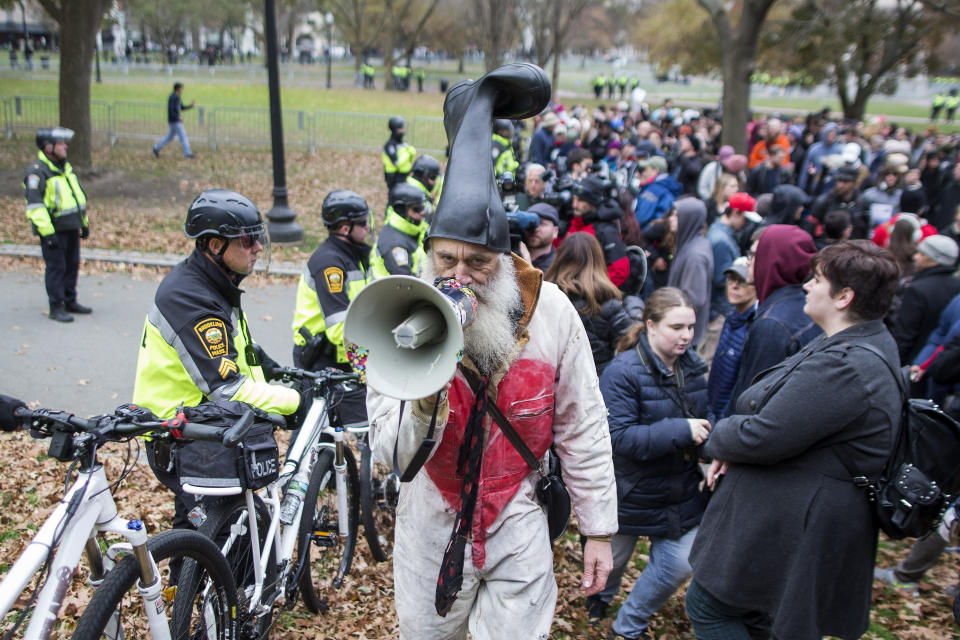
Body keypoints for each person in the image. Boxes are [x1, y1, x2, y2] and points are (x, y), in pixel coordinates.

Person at [365, 62, 617, 640]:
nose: (461, 277)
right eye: (446, 261)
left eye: (478, 263)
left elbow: (582, 423)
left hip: (518, 518)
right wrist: (423, 386)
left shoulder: (550, 312)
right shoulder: (400, 314)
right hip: (431, 521)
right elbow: (391, 456)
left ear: (504, 261)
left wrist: (598, 527)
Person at [686, 240, 902, 640]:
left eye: (817, 280)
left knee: (708, 605)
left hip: (802, 520)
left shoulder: (848, 366)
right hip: (795, 512)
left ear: (844, 296)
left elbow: (765, 434)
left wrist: (717, 437)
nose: (806, 286)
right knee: (758, 618)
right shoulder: (850, 343)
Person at [132, 189, 301, 527]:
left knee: (223, 529)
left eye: (258, 239)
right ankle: (194, 578)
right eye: (247, 241)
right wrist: (295, 401)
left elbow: (231, 350)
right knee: (213, 534)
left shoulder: (212, 282)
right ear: (214, 245)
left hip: (208, 424)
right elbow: (227, 388)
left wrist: (269, 367)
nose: (257, 248)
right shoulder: (191, 297)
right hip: (182, 434)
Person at [590, 287, 711, 638]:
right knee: (611, 562)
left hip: (679, 490)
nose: (687, 335)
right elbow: (619, 438)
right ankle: (600, 598)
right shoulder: (622, 372)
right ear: (651, 325)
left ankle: (628, 626)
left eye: (690, 327)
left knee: (678, 563)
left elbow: (703, 420)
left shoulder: (693, 368)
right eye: (677, 327)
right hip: (629, 489)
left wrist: (713, 446)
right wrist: (681, 430)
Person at [726, 225, 821, 415]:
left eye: (754, 255)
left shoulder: (772, 325)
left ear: (771, 261)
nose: (748, 262)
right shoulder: (806, 305)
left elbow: (752, 400)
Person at [24, 127, 91, 323]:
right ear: (48, 147)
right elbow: (36, 207)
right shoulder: (38, 173)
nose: (65, 147)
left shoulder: (64, 168)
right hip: (54, 230)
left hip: (71, 226)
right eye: (61, 144)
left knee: (72, 265)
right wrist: (48, 234)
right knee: (57, 267)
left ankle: (70, 300)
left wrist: (83, 223)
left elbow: (76, 197)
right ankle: (56, 306)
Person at [545, 232, 632, 374]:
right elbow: (628, 344)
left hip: (553, 379)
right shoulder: (609, 302)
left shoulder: (547, 296)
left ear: (560, 258)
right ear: (598, 260)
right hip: (597, 382)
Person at [890, 235, 960, 364]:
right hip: (937, 360)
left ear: (934, 261)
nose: (915, 257)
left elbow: (904, 335)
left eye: (921, 254)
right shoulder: (956, 285)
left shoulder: (918, 290)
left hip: (914, 362)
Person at [707, 258, 757, 420]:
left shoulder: (754, 326)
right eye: (731, 279)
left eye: (741, 281)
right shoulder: (731, 319)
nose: (734, 285)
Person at [569, 175, 630, 287]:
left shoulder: (605, 231)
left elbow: (620, 271)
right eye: (574, 199)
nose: (574, 205)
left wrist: (591, 291)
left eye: (581, 200)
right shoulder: (574, 223)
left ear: (593, 203)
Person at [668, 198, 714, 347]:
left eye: (676, 215)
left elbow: (694, 299)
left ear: (688, 219)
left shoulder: (695, 256)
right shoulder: (690, 243)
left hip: (685, 338)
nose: (671, 219)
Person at [707, 192, 751, 319]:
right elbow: (721, 278)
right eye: (746, 220)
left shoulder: (720, 231)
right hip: (719, 309)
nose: (746, 224)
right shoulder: (721, 241)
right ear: (736, 212)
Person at [371, 182, 428, 278]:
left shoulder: (414, 229)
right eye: (417, 208)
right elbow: (406, 284)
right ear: (401, 209)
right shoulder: (395, 245)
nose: (422, 212)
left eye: (423, 207)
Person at [152, 82, 195, 158]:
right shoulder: (172, 97)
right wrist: (177, 117)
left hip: (175, 121)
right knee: (183, 136)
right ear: (178, 89)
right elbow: (171, 110)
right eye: (181, 88)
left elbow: (181, 107)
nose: (182, 90)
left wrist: (190, 106)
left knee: (169, 137)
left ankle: (156, 148)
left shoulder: (178, 97)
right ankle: (187, 153)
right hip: (175, 121)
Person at [523, 202, 560, 272]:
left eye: (543, 224)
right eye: (532, 223)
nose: (536, 229)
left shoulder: (558, 266)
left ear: (555, 231)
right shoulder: (512, 257)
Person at [382, 116, 416, 191]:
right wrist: (408, 153)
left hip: (404, 177)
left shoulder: (403, 143)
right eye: (401, 128)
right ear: (395, 130)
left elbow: (410, 159)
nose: (404, 130)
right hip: (393, 178)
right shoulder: (390, 145)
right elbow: (396, 162)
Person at [407, 154, 442, 220]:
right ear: (423, 176)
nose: (434, 182)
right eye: (433, 178)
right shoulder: (416, 197)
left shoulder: (409, 188)